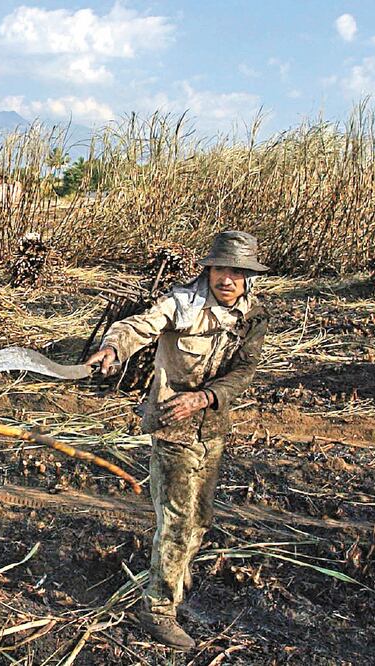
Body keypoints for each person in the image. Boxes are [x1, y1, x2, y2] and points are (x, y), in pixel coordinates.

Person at [87, 230, 270, 651]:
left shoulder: (253, 315)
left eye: (237, 271)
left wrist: (205, 398)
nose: (228, 279)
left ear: (248, 277)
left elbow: (244, 371)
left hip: (212, 425)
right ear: (209, 269)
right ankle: (158, 610)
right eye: (221, 269)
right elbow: (136, 327)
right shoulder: (182, 303)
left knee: (201, 518)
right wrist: (113, 349)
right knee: (177, 521)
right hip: (172, 425)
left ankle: (176, 571)